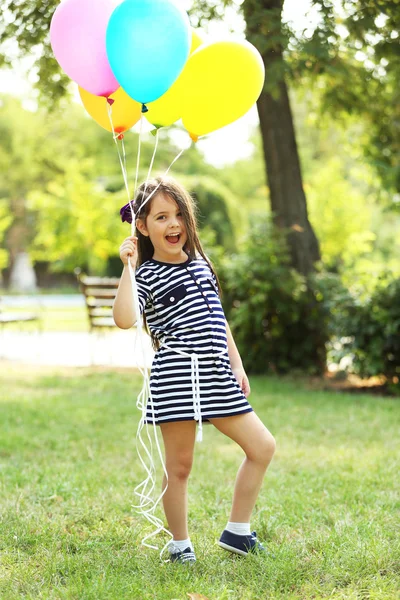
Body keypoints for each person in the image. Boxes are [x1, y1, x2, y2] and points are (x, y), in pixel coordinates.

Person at [113, 176, 276, 564]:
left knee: (262, 447)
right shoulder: (146, 275)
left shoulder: (201, 263)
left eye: (179, 215)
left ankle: (237, 532)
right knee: (179, 467)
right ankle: (180, 546)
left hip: (216, 373)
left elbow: (217, 319)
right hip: (176, 376)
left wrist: (235, 363)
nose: (173, 225)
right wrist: (128, 267)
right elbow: (123, 318)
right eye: (162, 217)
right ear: (142, 225)